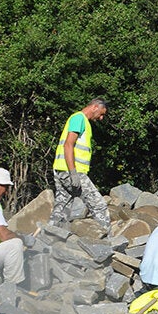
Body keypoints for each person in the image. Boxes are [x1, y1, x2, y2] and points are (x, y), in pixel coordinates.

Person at [50, 98, 110, 232]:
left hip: (62, 170)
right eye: (101, 114)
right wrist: (73, 173)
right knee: (99, 206)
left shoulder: (82, 121)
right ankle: (105, 243)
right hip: (71, 172)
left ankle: (49, 241)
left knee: (61, 210)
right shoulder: (79, 118)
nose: (101, 118)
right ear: (94, 107)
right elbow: (68, 144)